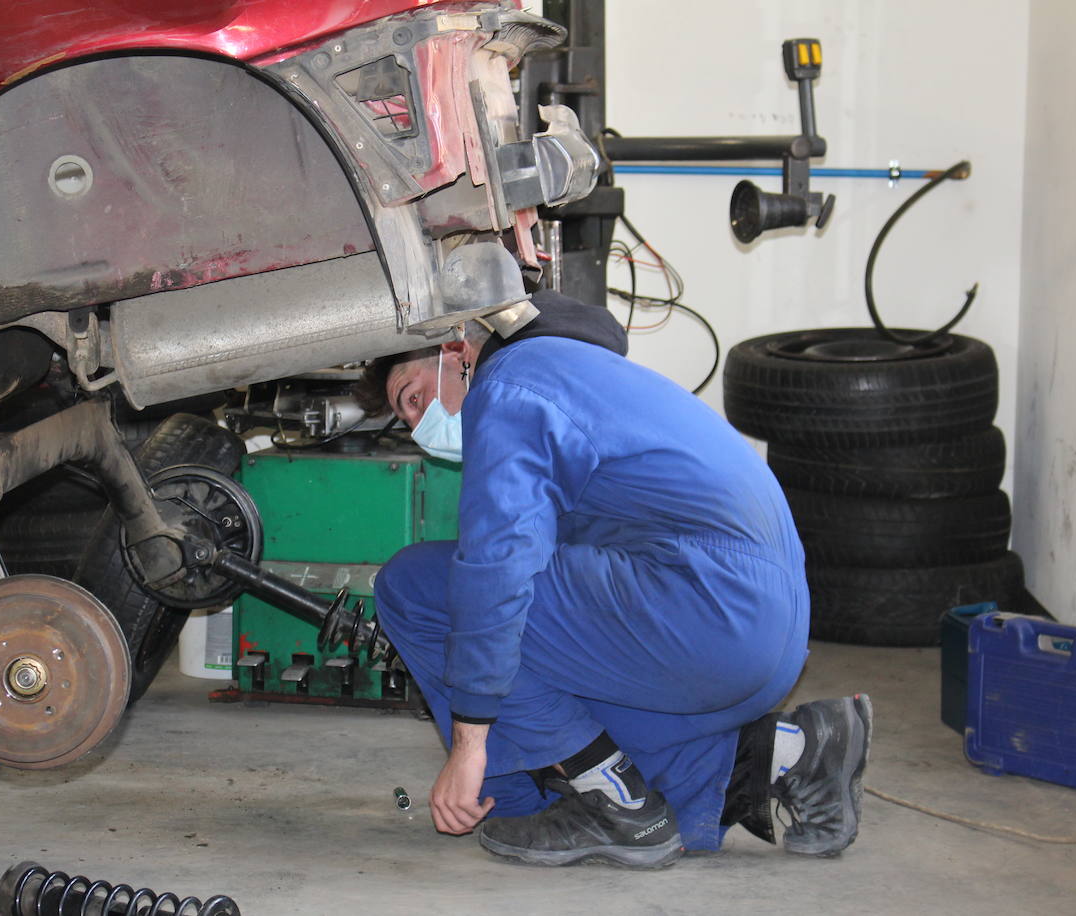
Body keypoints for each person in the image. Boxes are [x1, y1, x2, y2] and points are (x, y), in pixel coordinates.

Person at [353, 288, 872, 868]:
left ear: (456, 350)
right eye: (408, 419)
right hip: (758, 632)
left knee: (419, 588)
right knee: (566, 709)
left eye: (415, 397)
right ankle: (798, 753)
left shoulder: (507, 386)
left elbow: (496, 571)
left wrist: (471, 744)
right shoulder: (576, 372)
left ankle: (607, 801)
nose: (422, 424)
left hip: (704, 604)